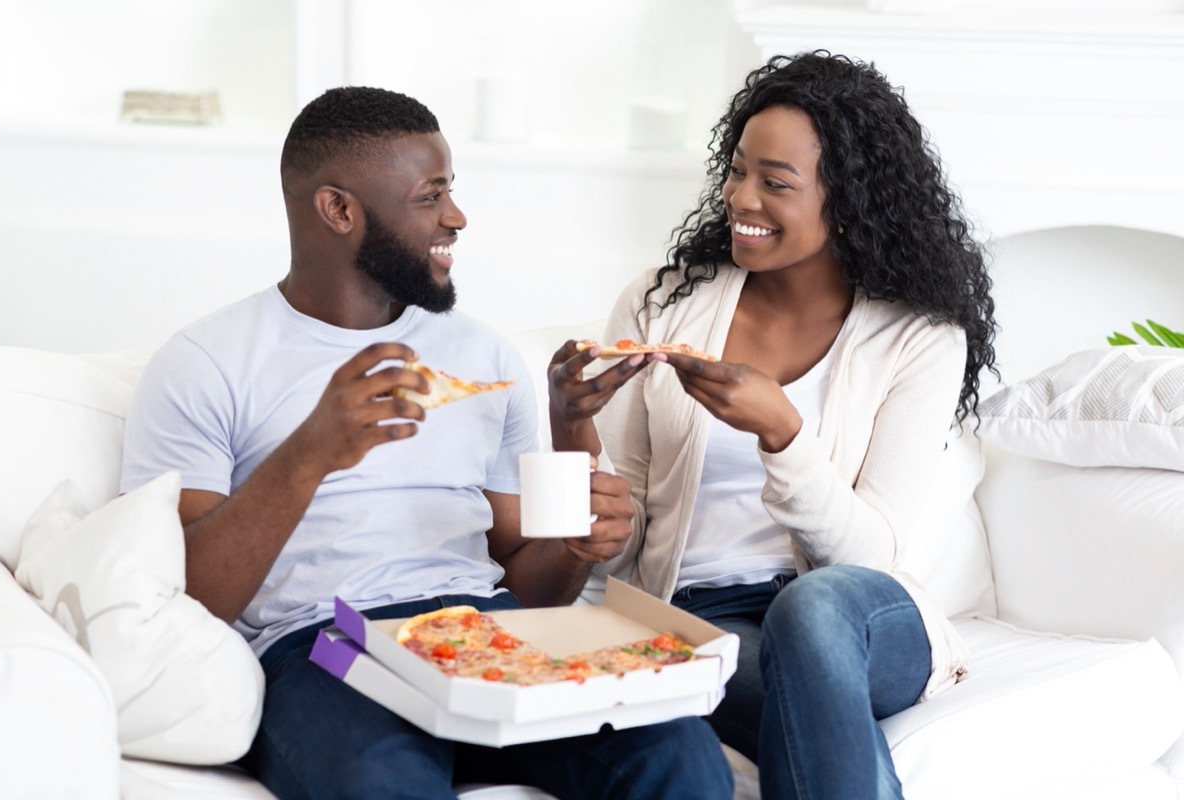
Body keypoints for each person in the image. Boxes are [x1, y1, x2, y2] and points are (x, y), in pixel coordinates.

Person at [119, 86, 733, 800]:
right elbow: (190, 597)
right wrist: (310, 453)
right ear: (339, 210)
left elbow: (527, 587)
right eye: (429, 196)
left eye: (452, 191)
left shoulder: (485, 357)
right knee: (383, 783)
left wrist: (572, 544)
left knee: (679, 752)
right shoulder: (206, 360)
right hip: (326, 648)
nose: (456, 217)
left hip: (482, 628)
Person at [547, 50, 999, 800]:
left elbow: (871, 552)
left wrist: (784, 434)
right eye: (736, 170)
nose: (740, 197)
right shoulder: (662, 304)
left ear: (848, 202)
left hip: (860, 620)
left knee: (808, 606)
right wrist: (571, 425)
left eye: (775, 183)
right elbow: (616, 534)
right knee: (757, 697)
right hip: (701, 623)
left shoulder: (919, 338)